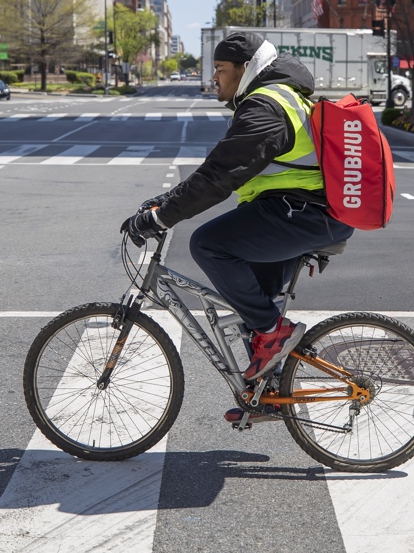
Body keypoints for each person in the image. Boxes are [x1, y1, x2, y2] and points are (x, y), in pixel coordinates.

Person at [121, 32, 355, 418]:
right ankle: (269, 394)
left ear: (246, 69)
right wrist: (166, 202)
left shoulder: (267, 106)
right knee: (253, 308)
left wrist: (162, 218)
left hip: (303, 213)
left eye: (220, 69)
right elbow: (220, 167)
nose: (214, 78)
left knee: (208, 245)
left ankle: (274, 335)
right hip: (300, 212)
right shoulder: (272, 99)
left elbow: (220, 176)